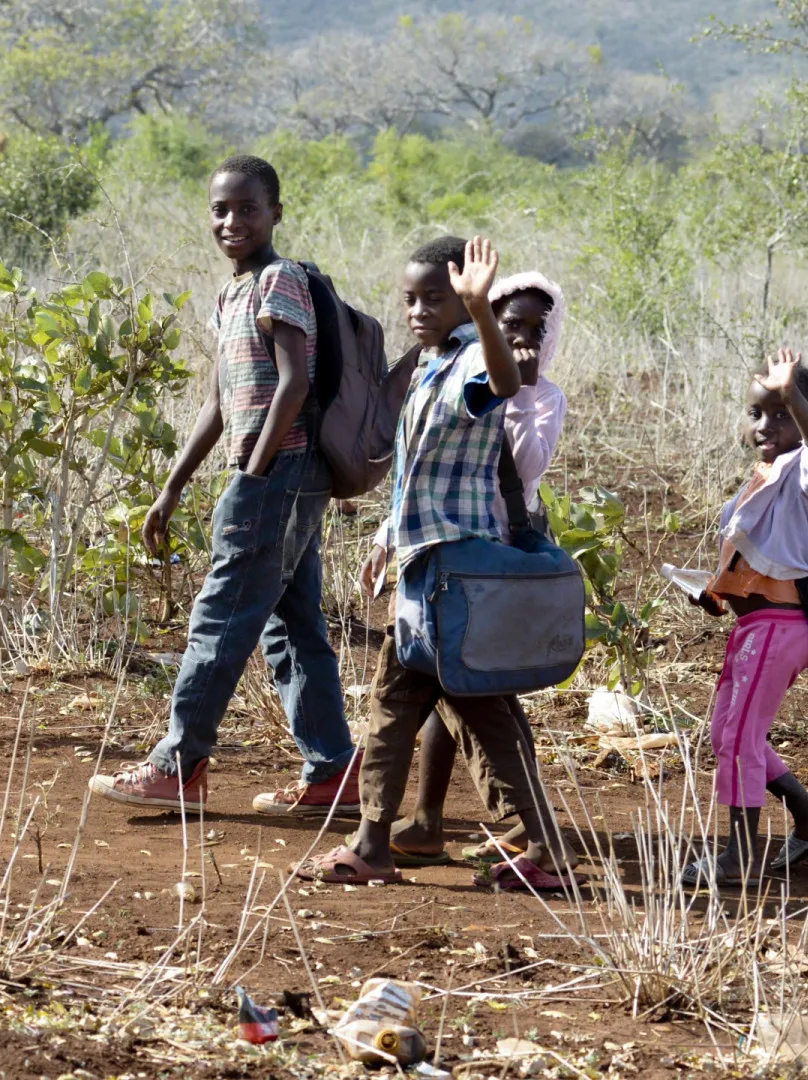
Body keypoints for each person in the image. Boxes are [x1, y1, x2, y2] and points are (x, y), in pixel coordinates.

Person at [296, 235, 572, 887]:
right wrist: (387, 542)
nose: (419, 310)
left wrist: (481, 310)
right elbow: (413, 472)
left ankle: (535, 850)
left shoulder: (476, 357)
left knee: (459, 713)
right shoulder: (428, 362)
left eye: (435, 298)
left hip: (456, 571)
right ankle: (380, 844)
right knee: (418, 709)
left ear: (462, 299)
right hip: (426, 566)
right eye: (411, 299)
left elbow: (504, 384)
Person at [88, 155, 357, 815]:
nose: (231, 221)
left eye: (246, 208)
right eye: (220, 210)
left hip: (282, 472)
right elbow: (218, 401)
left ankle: (177, 765)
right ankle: (334, 775)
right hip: (276, 476)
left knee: (220, 616)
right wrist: (172, 486)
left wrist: (255, 471)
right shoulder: (230, 296)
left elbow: (294, 383)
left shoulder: (279, 281)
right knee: (290, 626)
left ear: (276, 214)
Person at [379, 265, 570, 868]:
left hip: (495, 555)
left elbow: (527, 463)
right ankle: (450, 823)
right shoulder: (447, 369)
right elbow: (422, 467)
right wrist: (388, 536)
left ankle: (527, 831)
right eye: (512, 323)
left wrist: (520, 389)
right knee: (457, 688)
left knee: (474, 691)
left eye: (538, 329)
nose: (524, 337)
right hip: (442, 556)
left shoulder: (536, 394)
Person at [681, 350, 808, 886]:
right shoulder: (765, 475)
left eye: (779, 414)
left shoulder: (804, 471)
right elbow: (753, 558)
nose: (764, 426)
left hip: (776, 630)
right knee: (727, 735)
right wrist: (716, 592)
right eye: (756, 414)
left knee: (740, 740)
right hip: (754, 627)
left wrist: (792, 394)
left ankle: (740, 857)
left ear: (802, 416)